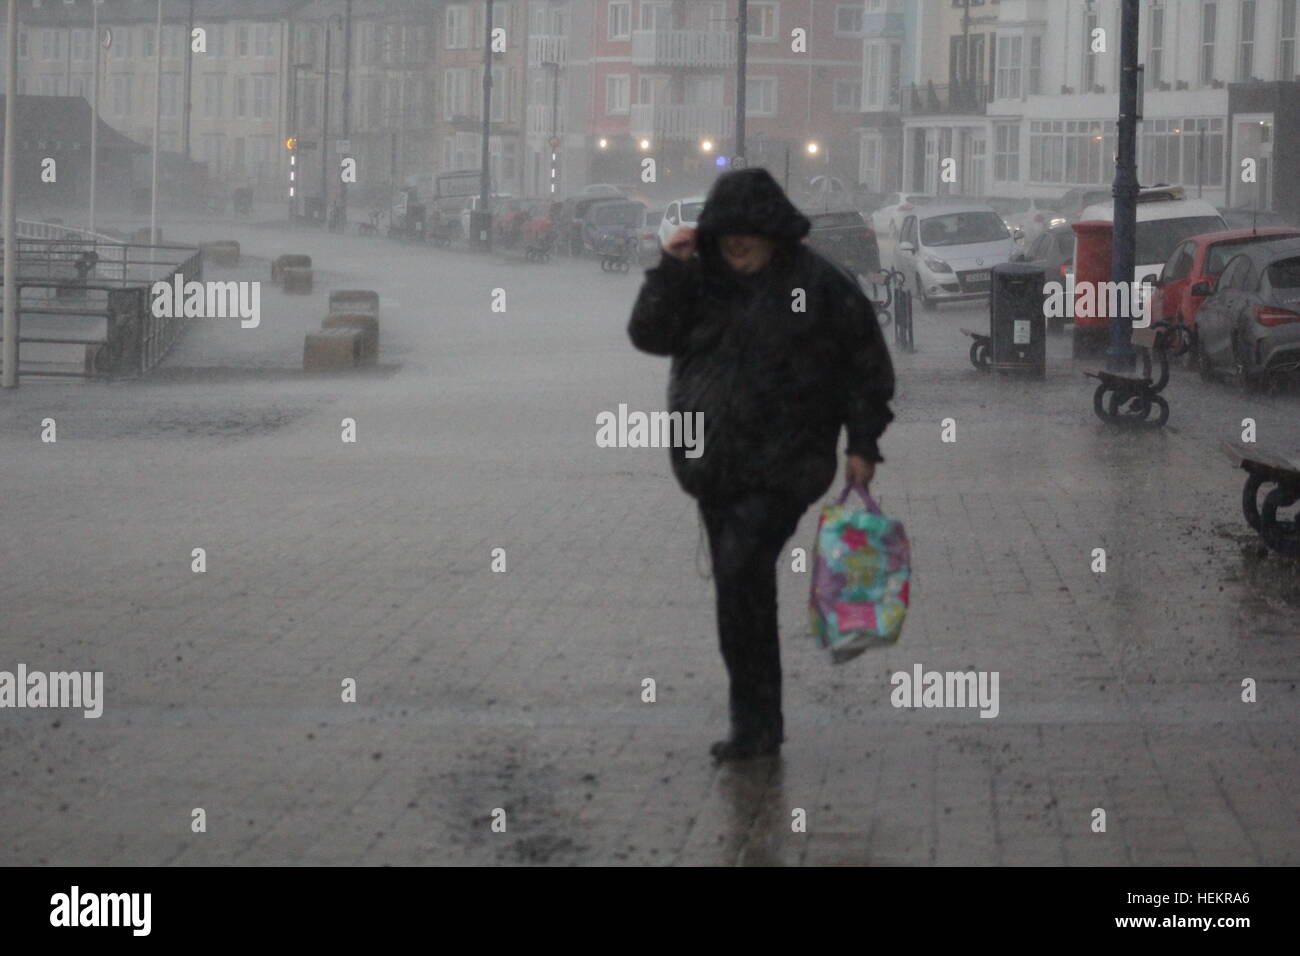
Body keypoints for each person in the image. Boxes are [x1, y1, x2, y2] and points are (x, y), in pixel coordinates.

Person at [627, 167, 896, 762]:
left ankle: (755, 725)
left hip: (784, 465)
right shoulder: (700, 281)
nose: (736, 248)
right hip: (711, 464)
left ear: (774, 231)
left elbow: (865, 367)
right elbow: (648, 334)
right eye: (726, 238)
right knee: (737, 586)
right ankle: (758, 721)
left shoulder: (818, 283)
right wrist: (670, 269)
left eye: (747, 237)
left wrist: (862, 444)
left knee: (742, 570)